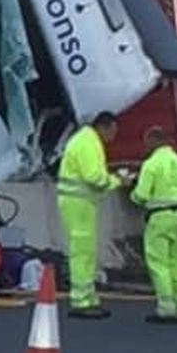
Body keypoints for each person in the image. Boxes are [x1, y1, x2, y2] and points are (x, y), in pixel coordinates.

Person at [57, 111, 121, 319]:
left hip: (80, 203)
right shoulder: (88, 143)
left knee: (86, 251)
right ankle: (81, 300)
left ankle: (88, 296)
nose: (113, 137)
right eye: (113, 132)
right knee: (82, 251)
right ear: (105, 126)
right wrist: (117, 180)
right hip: (78, 203)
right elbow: (94, 178)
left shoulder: (86, 140)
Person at [131, 125, 177, 324]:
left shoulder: (152, 164)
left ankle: (166, 308)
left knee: (159, 263)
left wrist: (132, 192)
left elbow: (141, 195)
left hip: (159, 217)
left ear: (152, 141)